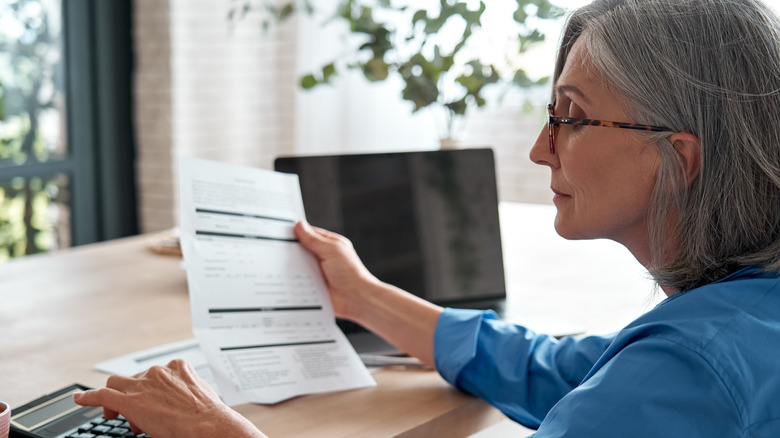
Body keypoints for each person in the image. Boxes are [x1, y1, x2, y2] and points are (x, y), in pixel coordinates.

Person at [74, 0, 780, 436]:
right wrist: (360, 294)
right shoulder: (735, 324)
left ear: (677, 157)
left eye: (570, 117)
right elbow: (555, 370)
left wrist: (215, 433)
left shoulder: (692, 367)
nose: (541, 149)